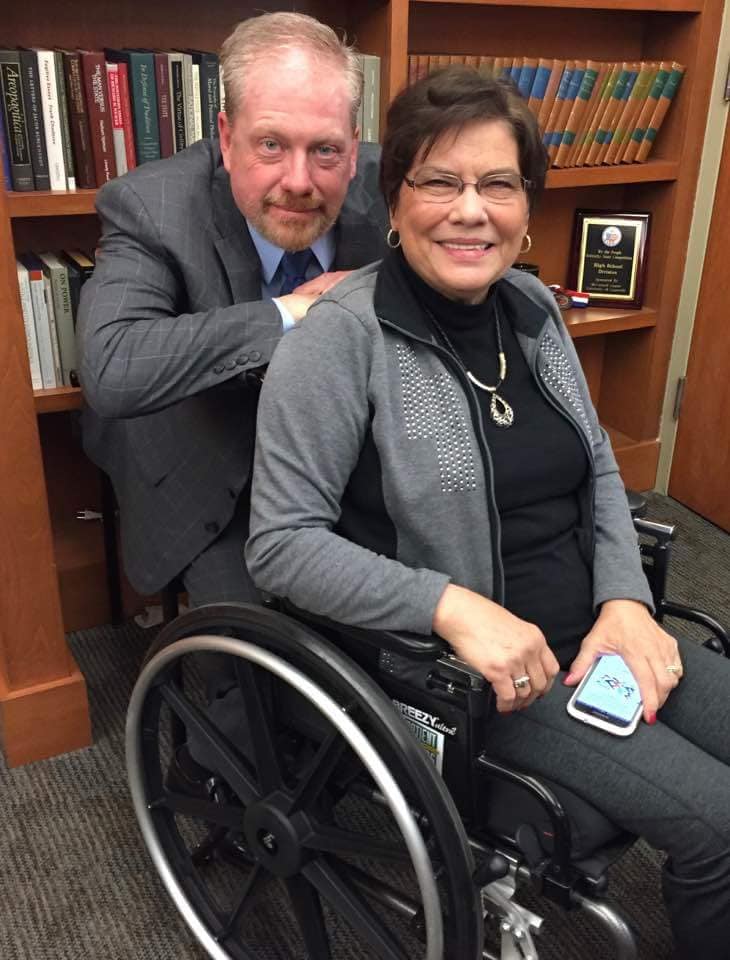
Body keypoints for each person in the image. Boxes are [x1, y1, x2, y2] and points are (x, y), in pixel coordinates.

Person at [246, 66, 730, 958]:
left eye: (498, 185)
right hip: (481, 680)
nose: (471, 211)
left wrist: (627, 600)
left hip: (600, 632)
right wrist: (453, 606)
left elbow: (595, 471)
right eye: (440, 182)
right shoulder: (338, 340)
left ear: (527, 206)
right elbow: (280, 546)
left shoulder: (533, 307)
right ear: (394, 202)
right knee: (718, 827)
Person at [77, 12, 388, 606]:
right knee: (260, 654)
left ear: (353, 146)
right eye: (271, 144)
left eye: (325, 150)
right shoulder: (152, 205)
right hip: (215, 473)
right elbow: (113, 366)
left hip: (353, 457)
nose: (298, 181)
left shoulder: (402, 184)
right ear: (226, 136)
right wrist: (294, 311)